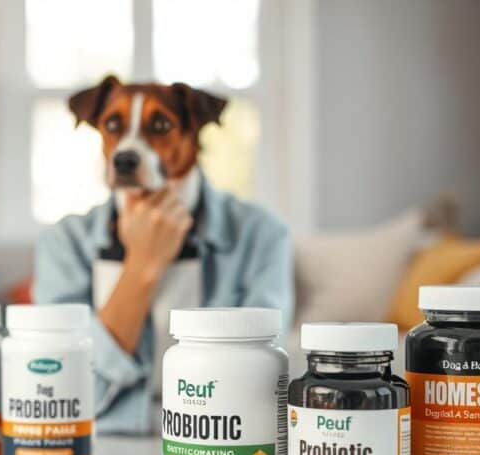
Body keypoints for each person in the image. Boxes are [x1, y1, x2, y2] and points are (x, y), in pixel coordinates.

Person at [33, 75, 293, 434]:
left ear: (193, 133)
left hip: (220, 441)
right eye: (114, 125)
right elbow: (56, 391)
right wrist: (142, 264)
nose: (129, 148)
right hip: (102, 443)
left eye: (159, 126)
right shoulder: (63, 242)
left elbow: (262, 379)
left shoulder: (262, 235)